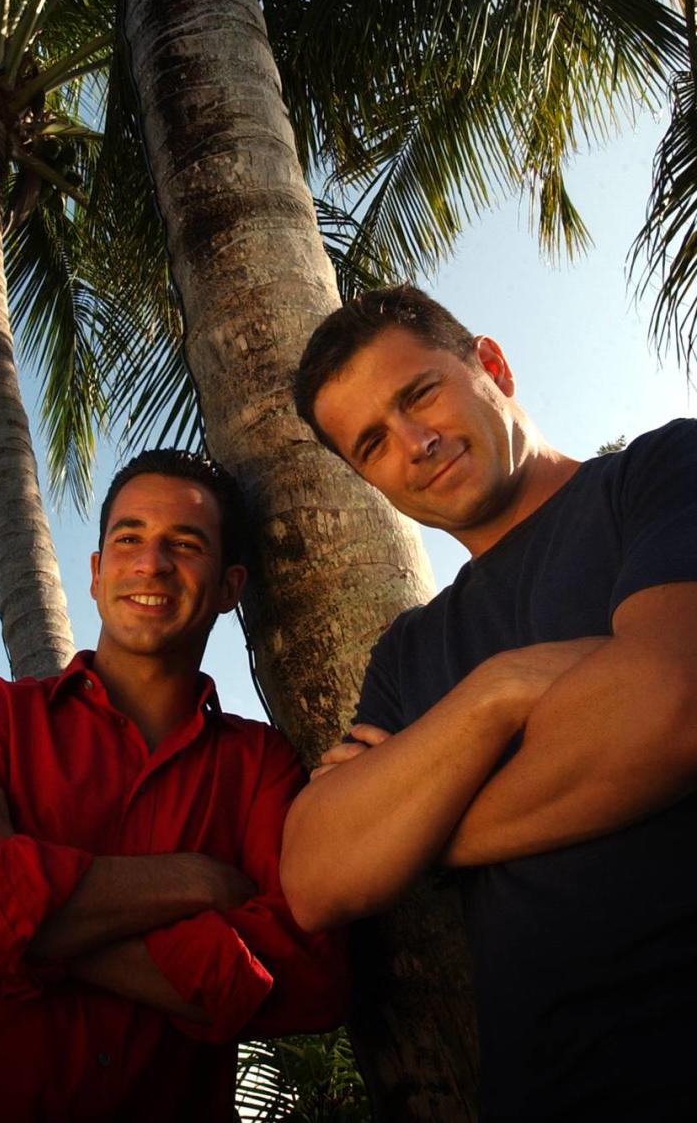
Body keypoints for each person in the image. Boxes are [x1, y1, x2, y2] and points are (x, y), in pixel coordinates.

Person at [280, 284, 697, 1121]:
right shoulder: (407, 652)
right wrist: (498, 694)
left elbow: (674, 708)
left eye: (419, 393)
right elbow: (318, 877)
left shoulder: (661, 473)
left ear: (493, 367)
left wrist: (426, 831)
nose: (415, 442)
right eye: (372, 443)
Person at [0, 449, 347, 1123]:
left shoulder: (259, 766)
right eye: (128, 538)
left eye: (185, 544)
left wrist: (21, 916)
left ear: (229, 585)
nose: (151, 563)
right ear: (98, 574)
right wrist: (190, 880)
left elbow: (309, 976)